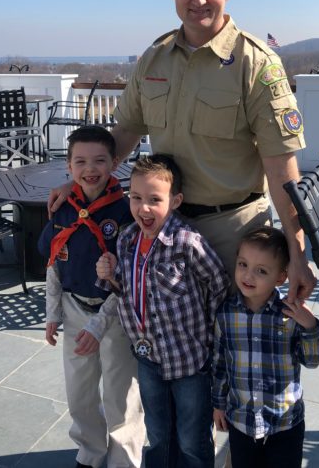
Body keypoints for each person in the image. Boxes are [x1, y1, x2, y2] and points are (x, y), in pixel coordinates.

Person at [49, 0, 314, 299]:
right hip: (162, 228)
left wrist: (297, 252)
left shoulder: (256, 64)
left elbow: (282, 168)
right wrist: (81, 184)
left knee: (232, 347)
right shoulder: (154, 59)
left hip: (231, 237)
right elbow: (122, 134)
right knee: (168, 345)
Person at [96, 154, 230, 468]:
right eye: (136, 197)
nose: (143, 208)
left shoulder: (187, 243)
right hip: (148, 359)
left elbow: (218, 284)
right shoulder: (127, 239)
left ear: (176, 200)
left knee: (191, 438)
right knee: (157, 433)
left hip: (189, 362)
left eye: (155, 199)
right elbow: (127, 291)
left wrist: (208, 335)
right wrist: (108, 275)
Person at [37, 125, 144, 468]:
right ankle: (90, 453)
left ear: (115, 162)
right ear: (68, 166)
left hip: (115, 316)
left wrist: (100, 325)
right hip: (74, 310)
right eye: (80, 161)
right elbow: (53, 265)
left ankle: (124, 460)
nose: (90, 169)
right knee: (79, 393)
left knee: (120, 394)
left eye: (99, 160)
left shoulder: (126, 213)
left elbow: (128, 282)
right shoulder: (63, 209)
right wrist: (53, 313)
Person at [212, 227, 319, 467]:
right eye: (242, 264)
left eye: (261, 270)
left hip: (285, 422)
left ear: (280, 277)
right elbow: (220, 363)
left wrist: (311, 326)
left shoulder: (289, 315)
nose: (248, 276)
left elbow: (314, 360)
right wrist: (218, 404)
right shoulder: (226, 313)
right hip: (241, 422)